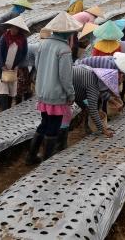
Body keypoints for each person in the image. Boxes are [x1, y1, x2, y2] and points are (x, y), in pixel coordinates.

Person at [27, 12, 81, 165]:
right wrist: (71, 94)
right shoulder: (64, 49)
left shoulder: (43, 44)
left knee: (44, 123)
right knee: (53, 126)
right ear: (67, 32)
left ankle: (31, 157)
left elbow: (37, 66)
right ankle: (47, 160)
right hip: (56, 95)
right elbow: (65, 76)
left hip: (42, 91)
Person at [0, 15, 30, 111]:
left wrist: (17, 65)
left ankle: (8, 110)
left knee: (10, 92)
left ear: (19, 29)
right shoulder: (4, 38)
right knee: (3, 92)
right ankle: (4, 111)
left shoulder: (22, 40)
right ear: (9, 27)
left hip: (13, 69)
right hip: (2, 69)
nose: (14, 30)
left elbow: (24, 53)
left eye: (16, 28)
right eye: (12, 27)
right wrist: (3, 66)